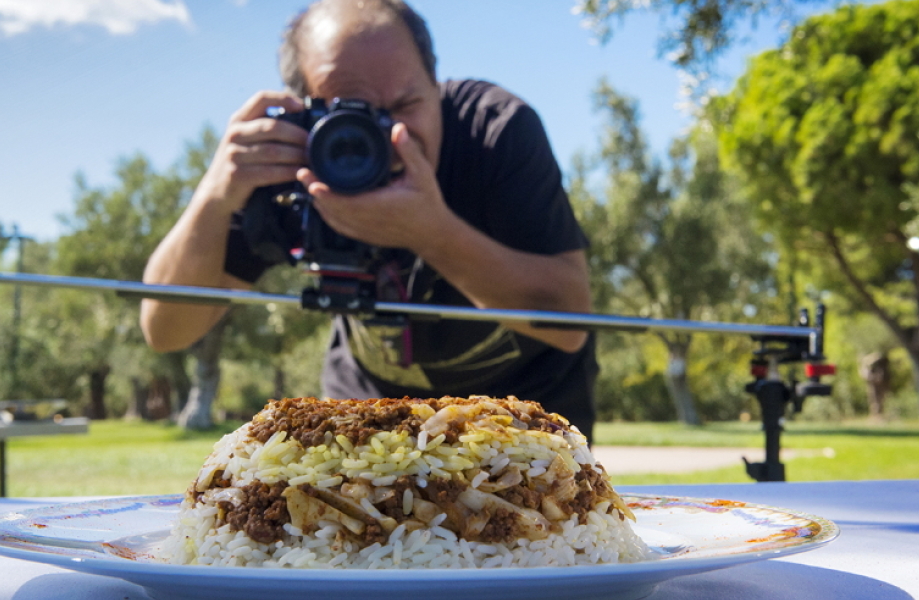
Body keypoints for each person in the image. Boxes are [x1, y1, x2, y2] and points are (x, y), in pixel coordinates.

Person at [140, 0, 599, 440]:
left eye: (406, 104)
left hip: (527, 412)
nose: (387, 136)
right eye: (350, 115)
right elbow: (166, 328)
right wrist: (215, 194)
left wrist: (431, 233)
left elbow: (569, 321)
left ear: (436, 85)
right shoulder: (287, 164)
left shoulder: (494, 129)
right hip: (369, 413)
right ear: (305, 112)